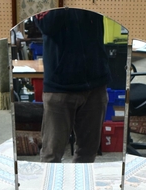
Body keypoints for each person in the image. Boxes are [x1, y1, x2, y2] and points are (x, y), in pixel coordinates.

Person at [34, 8, 111, 163]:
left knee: (88, 153)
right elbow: (48, 24)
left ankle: (80, 187)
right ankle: (50, 187)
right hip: (60, 86)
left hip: (95, 84)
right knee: (52, 155)